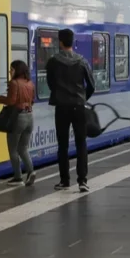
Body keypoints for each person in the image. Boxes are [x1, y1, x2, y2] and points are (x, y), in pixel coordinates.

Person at [46, 28, 96, 192]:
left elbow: (50, 83)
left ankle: (64, 180)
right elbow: (91, 85)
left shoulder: (53, 61)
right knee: (81, 143)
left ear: (60, 42)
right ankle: (82, 180)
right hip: (78, 107)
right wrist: (82, 98)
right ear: (72, 41)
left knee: (63, 145)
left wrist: (60, 95)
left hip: (61, 107)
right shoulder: (82, 61)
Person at [0, 60, 36, 186]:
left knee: (13, 149)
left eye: (12, 69)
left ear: (17, 70)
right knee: (23, 148)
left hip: (18, 118)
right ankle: (31, 171)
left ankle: (18, 177)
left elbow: (11, 101)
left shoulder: (14, 83)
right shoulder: (30, 83)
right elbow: (33, 100)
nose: (10, 72)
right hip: (30, 117)